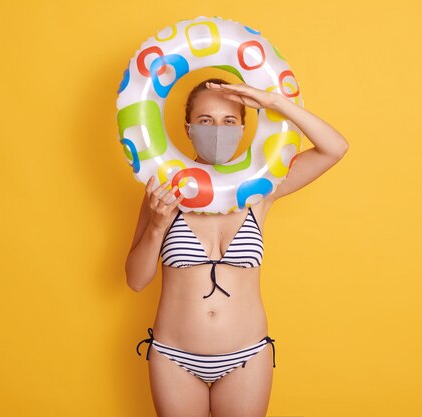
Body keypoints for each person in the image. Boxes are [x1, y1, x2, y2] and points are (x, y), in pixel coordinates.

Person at [127, 78, 349, 417]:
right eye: (206, 120)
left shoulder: (261, 188)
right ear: (187, 128)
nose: (218, 129)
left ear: (245, 126)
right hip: (174, 357)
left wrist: (273, 102)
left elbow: (335, 148)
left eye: (229, 121)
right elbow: (135, 280)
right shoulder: (163, 188)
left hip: (246, 357)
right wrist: (158, 226)